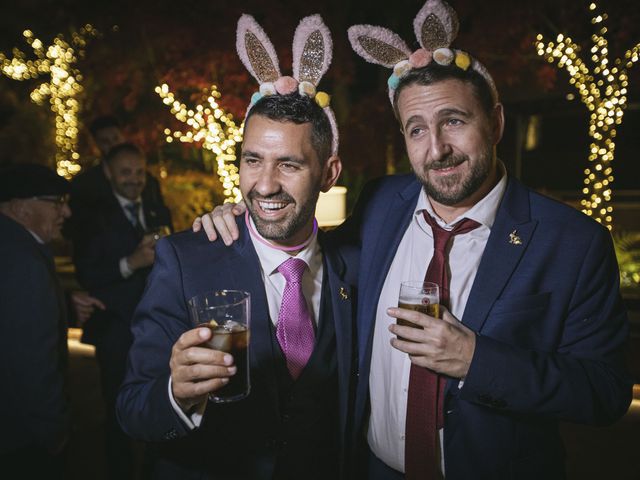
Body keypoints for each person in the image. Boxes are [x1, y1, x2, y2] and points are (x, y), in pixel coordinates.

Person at [195, 1, 632, 478]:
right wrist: (245, 216)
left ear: (497, 123)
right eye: (417, 129)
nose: (437, 148)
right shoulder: (383, 202)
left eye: (455, 121)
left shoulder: (572, 242)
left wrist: (476, 360)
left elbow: (605, 393)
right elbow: (308, 248)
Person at [117, 14, 354, 480]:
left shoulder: (359, 265)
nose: (264, 185)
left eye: (288, 164)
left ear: (329, 174)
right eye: (252, 160)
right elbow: (132, 409)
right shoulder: (185, 260)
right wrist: (178, 394)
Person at [73, 143, 173, 480]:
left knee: (161, 404)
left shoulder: (159, 210)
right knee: (118, 409)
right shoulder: (92, 218)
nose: (134, 180)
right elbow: (87, 273)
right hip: (115, 329)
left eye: (139, 172)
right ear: (108, 173)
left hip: (159, 328)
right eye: (125, 172)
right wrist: (132, 262)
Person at [0, 163, 103, 479]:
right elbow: (32, 361)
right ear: (20, 207)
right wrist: (54, 430)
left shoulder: (14, 247)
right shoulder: (25, 263)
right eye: (57, 202)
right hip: (24, 437)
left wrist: (63, 308)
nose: (67, 212)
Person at [67, 115, 166, 242]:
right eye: (105, 141)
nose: (113, 145)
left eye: (116, 138)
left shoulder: (148, 182)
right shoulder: (84, 185)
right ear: (96, 144)